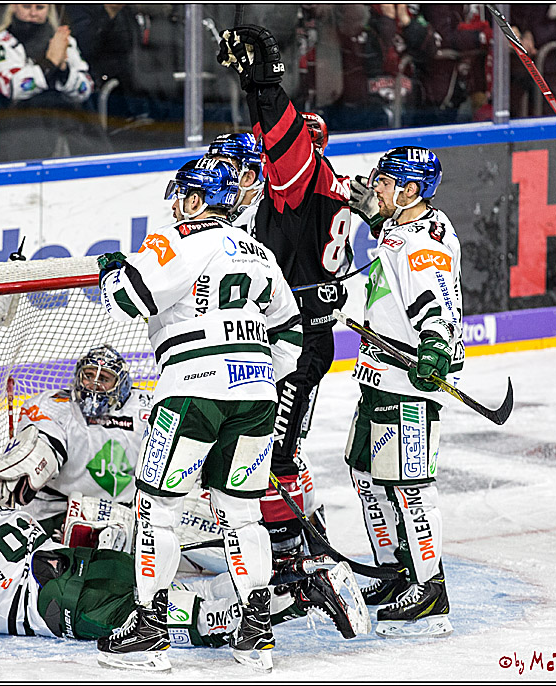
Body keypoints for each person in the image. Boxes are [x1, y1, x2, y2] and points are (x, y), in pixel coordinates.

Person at [96, 157, 304, 672]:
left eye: (181, 196)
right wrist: (252, 373)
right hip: (257, 395)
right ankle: (256, 635)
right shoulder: (259, 253)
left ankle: (149, 629)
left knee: (157, 508)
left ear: (195, 199)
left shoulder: (176, 240)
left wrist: (112, 273)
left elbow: (126, 299)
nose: (174, 206)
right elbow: (291, 337)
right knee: (243, 514)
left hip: (192, 392)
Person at [0, 463, 367, 665]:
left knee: (199, 621)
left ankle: (303, 592)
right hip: (93, 563)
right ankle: (295, 572)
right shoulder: (4, 514)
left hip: (65, 600)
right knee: (187, 593)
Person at [217, 25, 355, 573]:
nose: (261, 164)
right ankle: (308, 532)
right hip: (295, 334)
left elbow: (281, 141)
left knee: (273, 451)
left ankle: (290, 555)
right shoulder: (320, 186)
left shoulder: (304, 181)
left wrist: (267, 83)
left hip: (296, 344)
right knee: (279, 444)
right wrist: (253, 93)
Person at [343, 146, 462, 639]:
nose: (378, 187)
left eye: (387, 183)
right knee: (364, 471)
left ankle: (430, 589)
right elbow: (393, 243)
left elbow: (438, 300)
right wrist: (375, 215)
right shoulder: (401, 226)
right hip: (378, 373)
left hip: (408, 378)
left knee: (410, 486)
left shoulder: (424, 243)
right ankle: (396, 570)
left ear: (412, 190)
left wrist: (436, 347)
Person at [0, 343, 150, 537]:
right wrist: (24, 468)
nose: (94, 384)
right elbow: (43, 444)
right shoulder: (52, 404)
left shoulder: (145, 408)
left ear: (121, 385)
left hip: (124, 512)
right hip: (55, 509)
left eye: (104, 379)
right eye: (88, 375)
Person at [0, 3, 99, 160]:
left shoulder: (63, 41)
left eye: (40, 7)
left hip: (62, 125)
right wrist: (49, 65)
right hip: (8, 127)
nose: (33, 13)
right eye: (26, 7)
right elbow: (10, 88)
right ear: (13, 7)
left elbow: (86, 88)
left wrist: (64, 71)